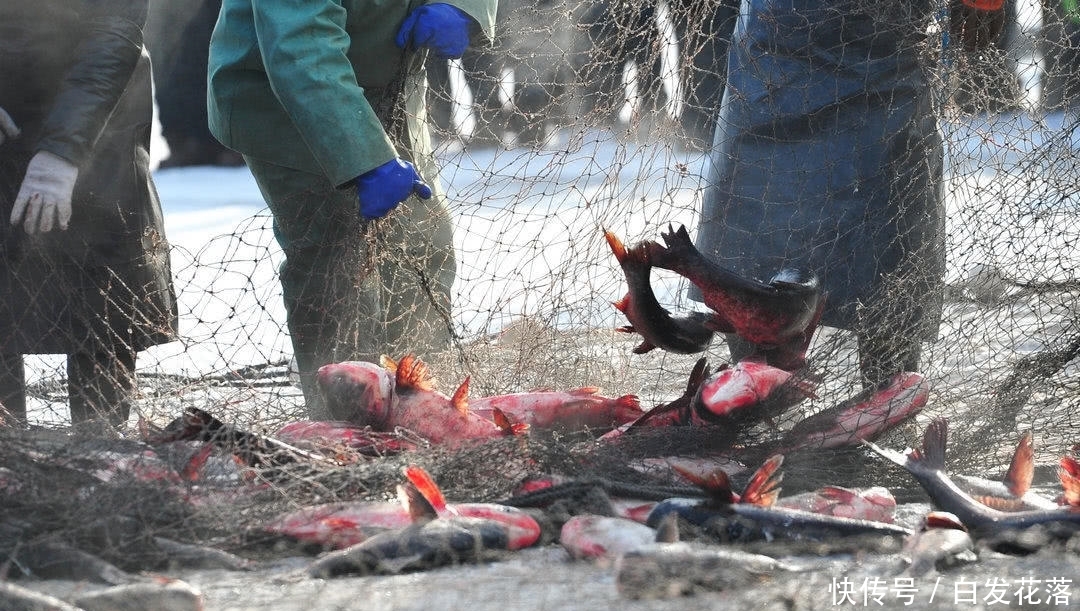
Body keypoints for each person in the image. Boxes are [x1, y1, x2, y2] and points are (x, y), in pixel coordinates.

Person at [207, 0, 497, 419]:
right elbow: (301, 49)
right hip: (286, 97)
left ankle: (423, 413)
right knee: (337, 267)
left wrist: (466, 6)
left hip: (392, 82)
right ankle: (345, 425)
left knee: (424, 243)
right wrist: (366, 159)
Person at [694, 0, 1006, 388]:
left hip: (832, 49)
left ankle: (863, 399)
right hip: (804, 50)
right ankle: (863, 396)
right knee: (861, 234)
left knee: (790, 227)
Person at [0, 0, 179, 427]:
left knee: (100, 297)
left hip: (102, 122)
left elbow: (113, 32)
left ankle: (100, 445)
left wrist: (63, 151)